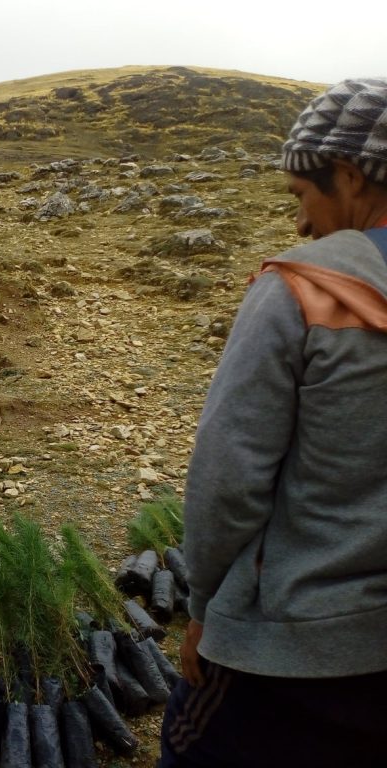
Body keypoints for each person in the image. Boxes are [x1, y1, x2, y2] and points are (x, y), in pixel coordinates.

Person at [159, 78, 387, 768]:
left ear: (348, 176)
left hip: (299, 652)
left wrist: (204, 605)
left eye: (301, 196)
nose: (300, 223)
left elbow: (228, 477)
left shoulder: (303, 286)